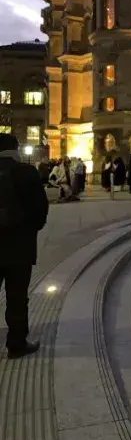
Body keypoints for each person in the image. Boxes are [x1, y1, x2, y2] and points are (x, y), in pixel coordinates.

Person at [0, 134, 49, 358]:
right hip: (19, 246)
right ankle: (16, 343)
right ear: (15, 150)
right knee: (17, 296)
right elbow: (40, 209)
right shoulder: (26, 172)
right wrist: (30, 230)